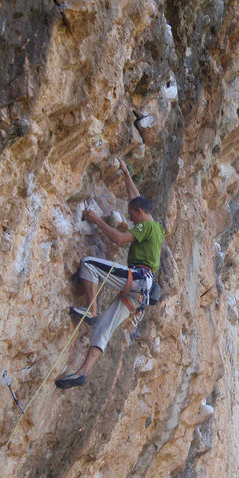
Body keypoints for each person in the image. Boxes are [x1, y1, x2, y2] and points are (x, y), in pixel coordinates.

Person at [55, 159, 164, 389]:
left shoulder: (145, 226)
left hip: (139, 278)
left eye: (132, 216)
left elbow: (119, 239)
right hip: (141, 293)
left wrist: (95, 219)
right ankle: (82, 373)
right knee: (105, 327)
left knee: (89, 265)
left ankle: (91, 310)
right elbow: (136, 198)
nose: (131, 220)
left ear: (140, 213)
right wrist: (126, 172)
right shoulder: (154, 226)